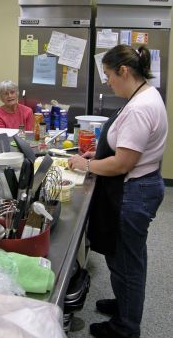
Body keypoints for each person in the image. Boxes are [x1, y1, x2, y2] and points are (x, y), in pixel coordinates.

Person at [68, 44, 168, 338]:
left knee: (127, 263)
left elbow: (123, 163)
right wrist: (97, 158)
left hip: (133, 192)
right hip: (139, 185)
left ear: (124, 71)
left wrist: (85, 166)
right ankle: (125, 305)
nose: (109, 83)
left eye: (110, 76)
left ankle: (126, 326)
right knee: (126, 257)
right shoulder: (146, 94)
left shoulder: (140, 107)